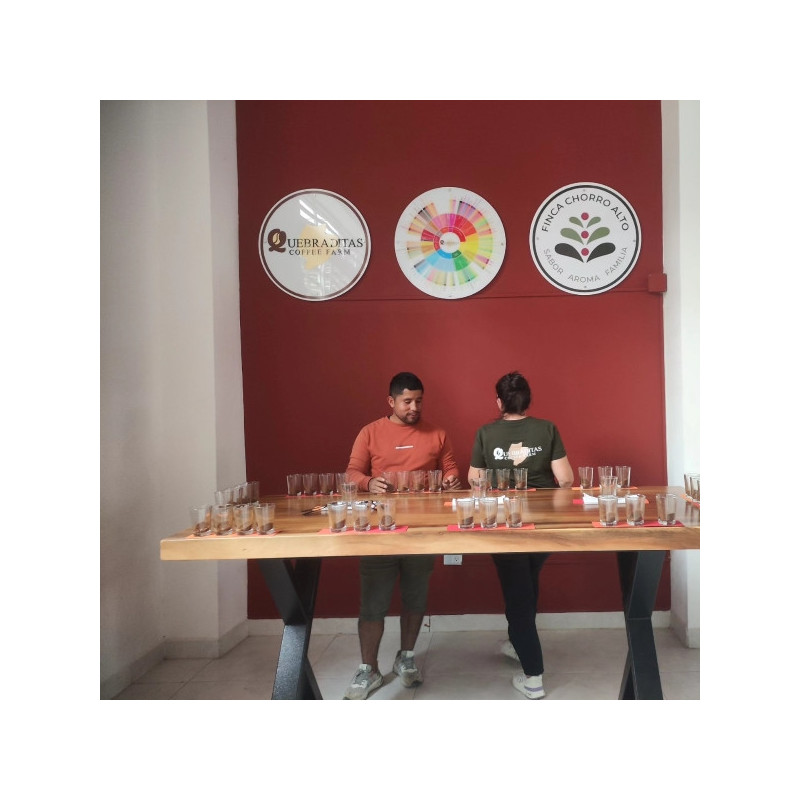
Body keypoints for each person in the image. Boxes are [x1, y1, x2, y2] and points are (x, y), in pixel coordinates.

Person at [343, 372, 461, 699]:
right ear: (391, 401)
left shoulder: (437, 433)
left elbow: (451, 467)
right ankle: (369, 669)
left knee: (415, 598)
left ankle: (406, 657)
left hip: (422, 529)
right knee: (373, 604)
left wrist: (451, 478)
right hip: (380, 529)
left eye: (419, 401)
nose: (414, 407)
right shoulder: (370, 432)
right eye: (407, 401)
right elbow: (351, 473)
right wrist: (368, 482)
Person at [468, 371, 573, 699]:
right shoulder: (547, 428)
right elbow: (566, 479)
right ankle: (518, 644)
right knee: (526, 585)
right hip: (544, 524)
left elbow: (475, 480)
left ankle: (533, 678)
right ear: (528, 400)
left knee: (518, 596)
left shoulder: (486, 433)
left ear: (499, 402)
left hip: (504, 523)